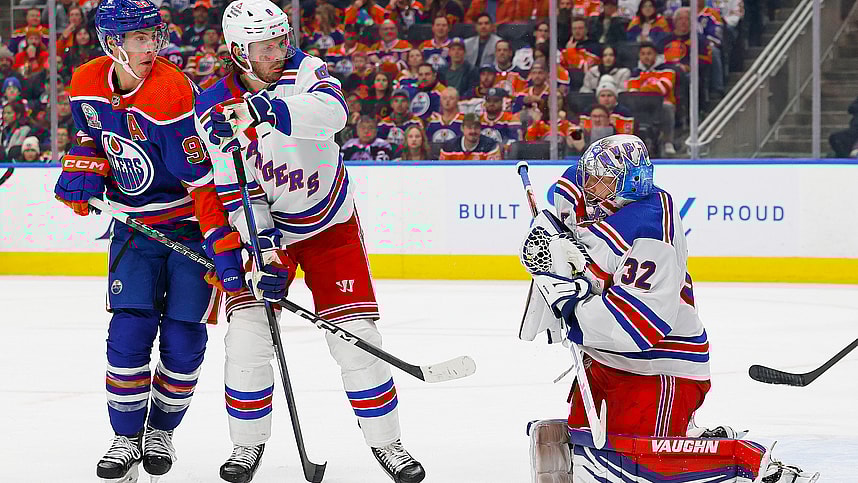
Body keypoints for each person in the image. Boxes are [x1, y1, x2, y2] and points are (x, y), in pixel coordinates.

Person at [193, 1, 425, 481]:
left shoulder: (307, 70)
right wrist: (262, 249)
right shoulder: (211, 105)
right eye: (266, 45)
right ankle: (246, 446)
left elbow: (333, 114)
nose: (279, 50)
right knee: (248, 339)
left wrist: (264, 108)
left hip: (330, 227)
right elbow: (230, 184)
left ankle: (389, 444)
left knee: (357, 342)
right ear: (238, 50)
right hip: (268, 230)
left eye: (282, 39)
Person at [521, 134, 820, 483]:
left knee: (634, 470)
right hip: (608, 361)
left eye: (599, 180)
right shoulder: (606, 192)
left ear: (626, 185)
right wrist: (551, 231)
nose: (590, 187)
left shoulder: (651, 235)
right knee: (588, 451)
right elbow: (569, 188)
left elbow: (635, 328)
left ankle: (749, 464)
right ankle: (697, 440)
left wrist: (569, 301)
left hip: (659, 368)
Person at [52, 0, 235, 482]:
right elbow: (92, 136)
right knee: (129, 333)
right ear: (113, 44)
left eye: (154, 35)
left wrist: (221, 243)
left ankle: (161, 431)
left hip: (190, 228)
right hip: (133, 229)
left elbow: (203, 183)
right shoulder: (86, 82)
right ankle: (125, 436)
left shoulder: (173, 94)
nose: (151, 45)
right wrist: (84, 166)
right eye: (139, 38)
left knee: (183, 338)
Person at [627, 41, 678, 155]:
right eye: (643, 54)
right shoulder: (636, 72)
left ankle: (667, 142)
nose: (646, 56)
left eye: (649, 53)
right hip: (641, 105)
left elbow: (663, 87)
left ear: (655, 55)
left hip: (662, 104)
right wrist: (648, 90)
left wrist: (643, 89)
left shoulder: (667, 69)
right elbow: (632, 91)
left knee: (667, 107)